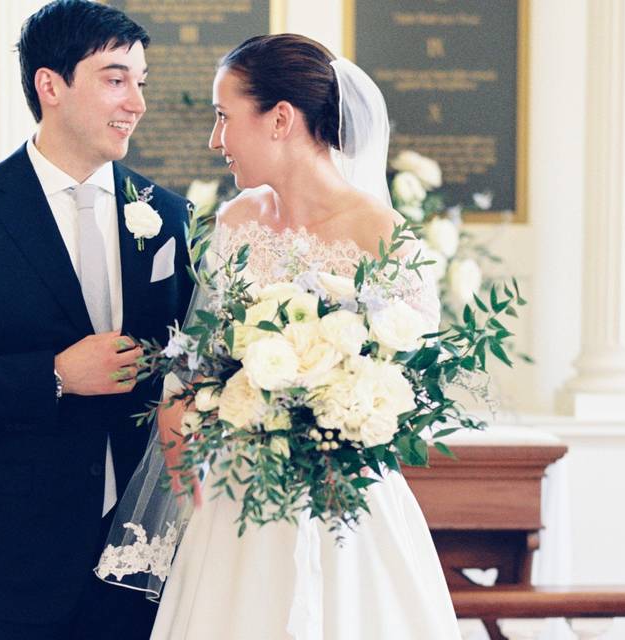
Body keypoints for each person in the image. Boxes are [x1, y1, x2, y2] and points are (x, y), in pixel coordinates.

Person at [97, 34, 461, 639]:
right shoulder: (238, 224)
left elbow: (410, 387)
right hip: (237, 499)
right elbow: (202, 356)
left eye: (223, 117)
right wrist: (183, 408)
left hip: (342, 501)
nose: (216, 141)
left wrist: (337, 410)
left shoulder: (382, 234)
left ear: (280, 119)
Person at [0, 1, 193, 638]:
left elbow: (190, 361)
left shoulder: (167, 213)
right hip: (9, 556)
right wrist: (52, 375)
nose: (136, 102)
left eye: (141, 82)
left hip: (142, 555)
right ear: (50, 85)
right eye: (114, 79)